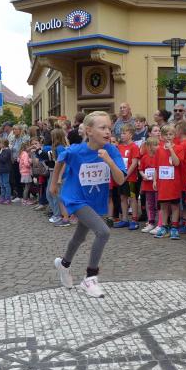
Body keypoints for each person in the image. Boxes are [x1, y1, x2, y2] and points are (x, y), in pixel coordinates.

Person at [51, 111, 127, 298]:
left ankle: (64, 264)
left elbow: (120, 180)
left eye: (109, 128)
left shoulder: (111, 151)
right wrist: (54, 184)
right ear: (89, 131)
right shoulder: (76, 150)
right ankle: (90, 277)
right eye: (103, 128)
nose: (108, 131)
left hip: (95, 199)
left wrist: (109, 161)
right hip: (75, 197)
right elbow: (60, 160)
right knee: (103, 232)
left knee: (79, 236)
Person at [153, 124, 184, 239]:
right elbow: (156, 167)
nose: (168, 136)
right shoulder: (158, 150)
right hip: (162, 183)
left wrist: (171, 149)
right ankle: (164, 226)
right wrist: (154, 180)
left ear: (174, 135)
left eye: (171, 134)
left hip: (174, 183)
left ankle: (174, 227)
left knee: (175, 206)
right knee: (164, 206)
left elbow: (177, 163)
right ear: (162, 136)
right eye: (166, 134)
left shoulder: (179, 148)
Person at [114, 125, 140, 230]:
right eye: (121, 133)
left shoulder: (134, 147)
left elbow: (134, 163)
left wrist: (126, 175)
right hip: (121, 178)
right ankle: (124, 219)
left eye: (124, 133)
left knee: (132, 198)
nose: (122, 135)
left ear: (131, 134)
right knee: (122, 197)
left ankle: (134, 219)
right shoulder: (119, 147)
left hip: (131, 178)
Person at [139, 137, 158, 233]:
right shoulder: (144, 157)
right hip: (147, 184)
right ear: (149, 147)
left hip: (157, 185)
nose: (157, 147)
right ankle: (151, 222)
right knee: (150, 204)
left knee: (158, 204)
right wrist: (144, 175)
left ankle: (159, 224)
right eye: (155, 145)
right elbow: (140, 169)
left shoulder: (158, 157)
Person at [0, 139, 12, 204]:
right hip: (1, 169)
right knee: (2, 185)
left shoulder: (7, 151)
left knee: (6, 184)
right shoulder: (2, 150)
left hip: (5, 170)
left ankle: (7, 198)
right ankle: (2, 197)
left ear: (3, 144)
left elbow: (3, 159)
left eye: (0, 143)